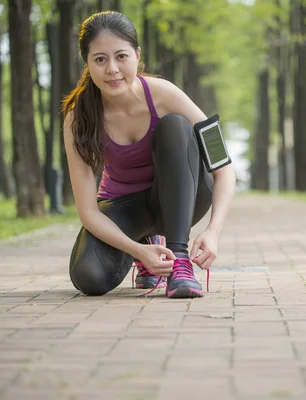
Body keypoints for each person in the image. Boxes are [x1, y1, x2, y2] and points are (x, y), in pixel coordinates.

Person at [61, 11, 236, 298]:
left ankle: (179, 261)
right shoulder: (77, 117)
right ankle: (150, 247)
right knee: (89, 277)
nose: (112, 69)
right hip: (126, 207)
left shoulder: (168, 95)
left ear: (137, 54)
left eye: (121, 56)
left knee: (176, 126)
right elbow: (88, 211)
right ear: (87, 63)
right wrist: (139, 251)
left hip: (185, 198)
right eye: (100, 59)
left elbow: (224, 168)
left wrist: (213, 232)